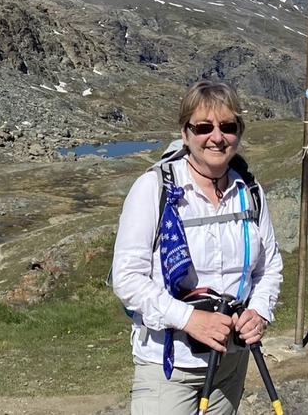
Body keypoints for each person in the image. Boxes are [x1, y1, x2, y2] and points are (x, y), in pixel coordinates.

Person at [112, 80, 283, 415]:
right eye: (204, 127)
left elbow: (269, 267)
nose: (217, 137)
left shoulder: (250, 190)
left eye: (228, 127)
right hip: (169, 368)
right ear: (185, 132)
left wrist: (259, 312)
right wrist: (191, 319)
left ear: (239, 132)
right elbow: (128, 279)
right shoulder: (153, 188)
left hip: (231, 365)